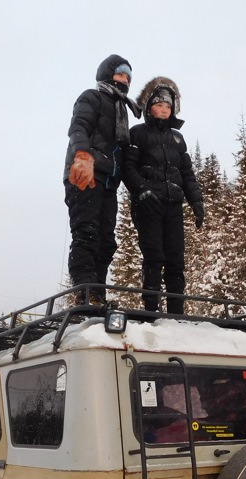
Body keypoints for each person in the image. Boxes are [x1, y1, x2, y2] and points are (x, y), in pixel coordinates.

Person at [122, 77, 204, 315]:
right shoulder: (137, 133)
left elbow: (187, 173)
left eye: (168, 106)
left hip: (174, 206)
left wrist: (197, 201)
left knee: (176, 261)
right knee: (154, 257)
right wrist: (142, 190)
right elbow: (128, 167)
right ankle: (151, 312)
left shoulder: (177, 138)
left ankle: (176, 313)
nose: (164, 110)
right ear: (149, 107)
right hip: (149, 205)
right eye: (159, 105)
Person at [64, 54, 141, 305]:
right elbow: (78, 127)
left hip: (109, 181)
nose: (125, 79)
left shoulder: (122, 111)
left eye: (129, 76)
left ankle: (97, 293)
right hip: (84, 173)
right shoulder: (92, 97)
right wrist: (82, 154)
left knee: (107, 241)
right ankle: (84, 294)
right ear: (107, 74)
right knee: (86, 233)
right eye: (121, 73)